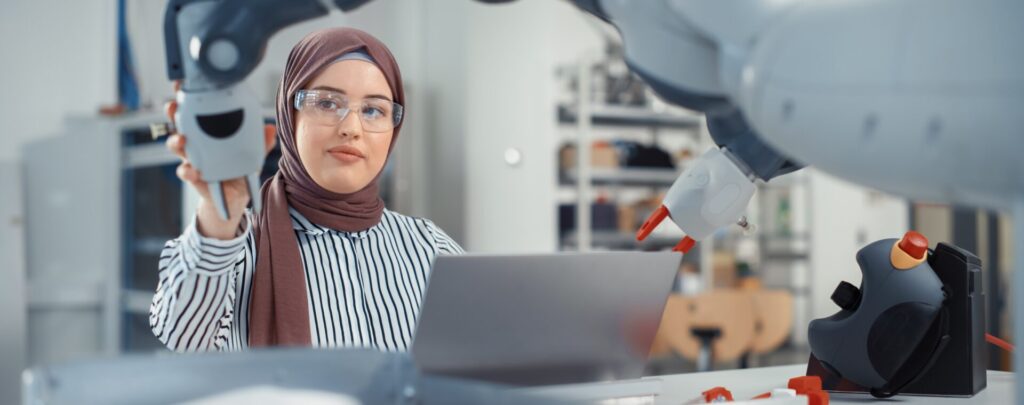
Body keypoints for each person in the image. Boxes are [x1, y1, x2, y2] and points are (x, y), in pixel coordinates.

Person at [150, 28, 463, 352]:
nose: (351, 129)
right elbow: (183, 338)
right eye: (327, 103)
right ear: (289, 115)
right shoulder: (237, 251)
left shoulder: (431, 248)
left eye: (373, 110)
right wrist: (220, 213)